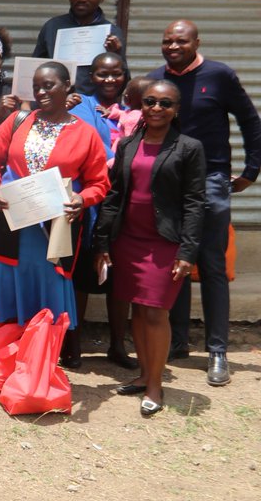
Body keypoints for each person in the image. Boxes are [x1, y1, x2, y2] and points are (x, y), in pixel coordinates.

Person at [148, 20, 261, 386]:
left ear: (197, 42)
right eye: (167, 41)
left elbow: (250, 121)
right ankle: (177, 341)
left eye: (180, 41)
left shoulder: (220, 75)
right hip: (168, 184)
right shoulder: (155, 81)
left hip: (211, 181)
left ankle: (217, 351)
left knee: (211, 265)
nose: (173, 46)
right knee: (172, 261)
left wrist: (251, 170)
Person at [95, 79, 206, 416]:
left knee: (156, 312)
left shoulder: (189, 148)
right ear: (141, 105)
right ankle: (144, 376)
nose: (157, 108)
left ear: (177, 110)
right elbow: (114, 196)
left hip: (165, 243)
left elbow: (195, 203)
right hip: (129, 240)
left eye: (165, 103)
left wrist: (187, 252)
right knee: (139, 312)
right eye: (150, 101)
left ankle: (156, 386)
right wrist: (102, 242)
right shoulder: (128, 144)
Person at [0, 62, 110, 330]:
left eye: (48, 86)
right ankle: (4, 362)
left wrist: (82, 200)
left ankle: (39, 361)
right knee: (7, 296)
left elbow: (99, 182)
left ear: (67, 86)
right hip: (9, 226)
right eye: (36, 87)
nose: (41, 93)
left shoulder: (85, 133)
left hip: (52, 231)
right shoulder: (18, 121)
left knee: (46, 297)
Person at [66, 50, 134, 369]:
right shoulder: (79, 104)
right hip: (89, 199)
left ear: (125, 75)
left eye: (116, 73)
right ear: (90, 76)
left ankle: (118, 345)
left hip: (127, 203)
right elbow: (76, 145)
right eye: (102, 74)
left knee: (118, 278)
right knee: (81, 273)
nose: (109, 79)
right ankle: (74, 344)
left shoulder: (138, 106)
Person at [32, 0, 127, 95]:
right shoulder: (52, 27)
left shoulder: (112, 33)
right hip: (56, 104)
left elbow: (123, 82)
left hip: (95, 107)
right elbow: (34, 69)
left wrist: (116, 54)